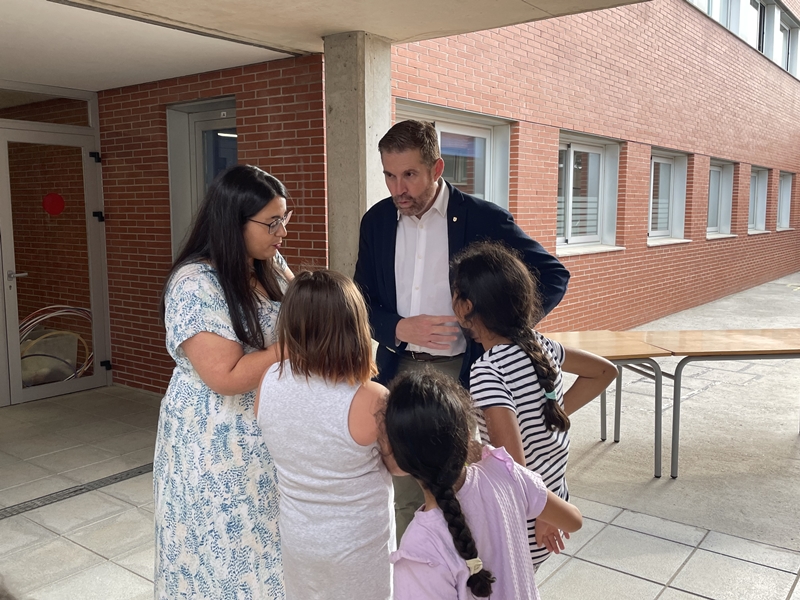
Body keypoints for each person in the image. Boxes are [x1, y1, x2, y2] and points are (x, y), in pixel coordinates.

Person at [353, 118, 571, 537]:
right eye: (389, 176)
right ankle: (419, 568)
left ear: (437, 168)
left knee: (467, 484)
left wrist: (500, 327)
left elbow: (553, 276)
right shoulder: (376, 221)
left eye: (410, 175)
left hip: (466, 373)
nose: (398, 189)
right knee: (407, 488)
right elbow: (361, 298)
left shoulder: (483, 218)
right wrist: (397, 327)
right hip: (399, 371)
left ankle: (470, 566)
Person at [154, 164, 294, 600]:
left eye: (284, 219)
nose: (282, 232)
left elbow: (302, 309)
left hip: (266, 431)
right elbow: (226, 376)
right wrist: (298, 345)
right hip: (216, 443)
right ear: (234, 221)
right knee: (227, 557)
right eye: (272, 222)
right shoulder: (195, 283)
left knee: (269, 553)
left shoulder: (268, 263)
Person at [451, 241, 616, 569]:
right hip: (552, 501)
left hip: (527, 516)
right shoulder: (541, 346)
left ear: (467, 307)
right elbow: (604, 371)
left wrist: (542, 513)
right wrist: (551, 412)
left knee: (504, 586)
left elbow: (512, 468)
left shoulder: (488, 370)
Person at [255, 269, 395, 600]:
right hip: (358, 547)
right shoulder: (372, 398)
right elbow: (400, 466)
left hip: (299, 541)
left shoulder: (269, 379)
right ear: (354, 327)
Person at [384, 369, 583, 600]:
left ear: (398, 458)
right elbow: (574, 520)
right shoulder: (504, 472)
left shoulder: (418, 551)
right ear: (467, 436)